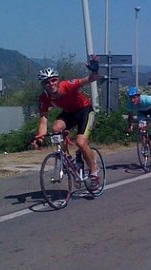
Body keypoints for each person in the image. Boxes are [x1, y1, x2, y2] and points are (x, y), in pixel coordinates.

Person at [32, 55, 101, 189]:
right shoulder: (44, 97)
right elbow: (43, 121)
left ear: (58, 80)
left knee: (80, 142)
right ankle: (68, 159)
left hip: (85, 111)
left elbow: (92, 79)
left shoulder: (67, 85)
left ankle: (94, 172)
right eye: (47, 82)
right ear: (43, 85)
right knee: (56, 128)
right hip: (69, 113)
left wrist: (94, 70)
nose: (51, 84)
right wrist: (39, 138)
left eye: (53, 80)